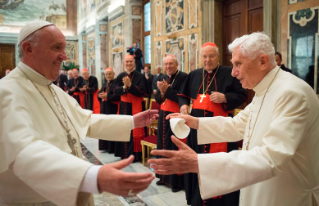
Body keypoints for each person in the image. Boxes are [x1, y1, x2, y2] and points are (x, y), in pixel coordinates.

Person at [149, 32, 319, 206]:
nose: (233, 72)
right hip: (261, 187)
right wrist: (195, 122)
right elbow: (238, 124)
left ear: (263, 61)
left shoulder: (291, 93)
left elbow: (270, 158)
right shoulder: (264, 89)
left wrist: (199, 163)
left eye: (238, 64)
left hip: (284, 195)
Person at [0, 20, 158, 206]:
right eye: (57, 47)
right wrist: (93, 176)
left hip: (74, 191)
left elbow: (84, 120)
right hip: (43, 198)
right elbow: (23, 151)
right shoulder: (7, 91)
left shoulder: (51, 88)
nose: (64, 56)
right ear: (28, 49)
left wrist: (132, 122)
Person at [178, 42, 246, 205]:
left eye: (211, 56)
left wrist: (225, 98)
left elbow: (242, 94)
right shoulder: (194, 74)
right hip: (197, 130)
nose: (207, 60)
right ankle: (197, 198)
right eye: (204, 56)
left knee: (219, 164)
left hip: (221, 130)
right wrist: (183, 104)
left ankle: (221, 200)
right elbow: (182, 94)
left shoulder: (229, 73)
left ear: (218, 56)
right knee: (198, 163)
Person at [155, 55, 188, 192]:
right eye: (166, 64)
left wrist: (166, 91)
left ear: (177, 64)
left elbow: (181, 97)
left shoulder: (183, 77)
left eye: (171, 64)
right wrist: (161, 93)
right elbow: (157, 98)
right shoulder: (161, 77)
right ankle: (163, 177)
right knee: (163, 146)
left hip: (176, 116)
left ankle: (176, 182)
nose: (168, 66)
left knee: (174, 147)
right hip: (163, 115)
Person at [114, 55, 149, 162]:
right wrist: (125, 87)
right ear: (124, 63)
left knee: (136, 128)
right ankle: (124, 154)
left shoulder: (140, 76)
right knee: (125, 129)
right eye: (127, 61)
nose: (129, 63)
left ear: (134, 62)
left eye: (130, 61)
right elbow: (115, 91)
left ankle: (136, 155)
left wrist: (131, 86)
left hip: (137, 106)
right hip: (124, 107)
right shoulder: (120, 76)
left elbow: (144, 92)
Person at [97, 68, 120, 152]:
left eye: (109, 74)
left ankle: (111, 148)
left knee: (111, 127)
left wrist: (107, 97)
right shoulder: (105, 83)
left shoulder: (116, 84)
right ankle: (105, 146)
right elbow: (99, 93)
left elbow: (118, 96)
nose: (108, 76)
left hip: (112, 109)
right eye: (106, 74)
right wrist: (100, 95)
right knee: (105, 127)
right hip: (104, 108)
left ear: (113, 74)